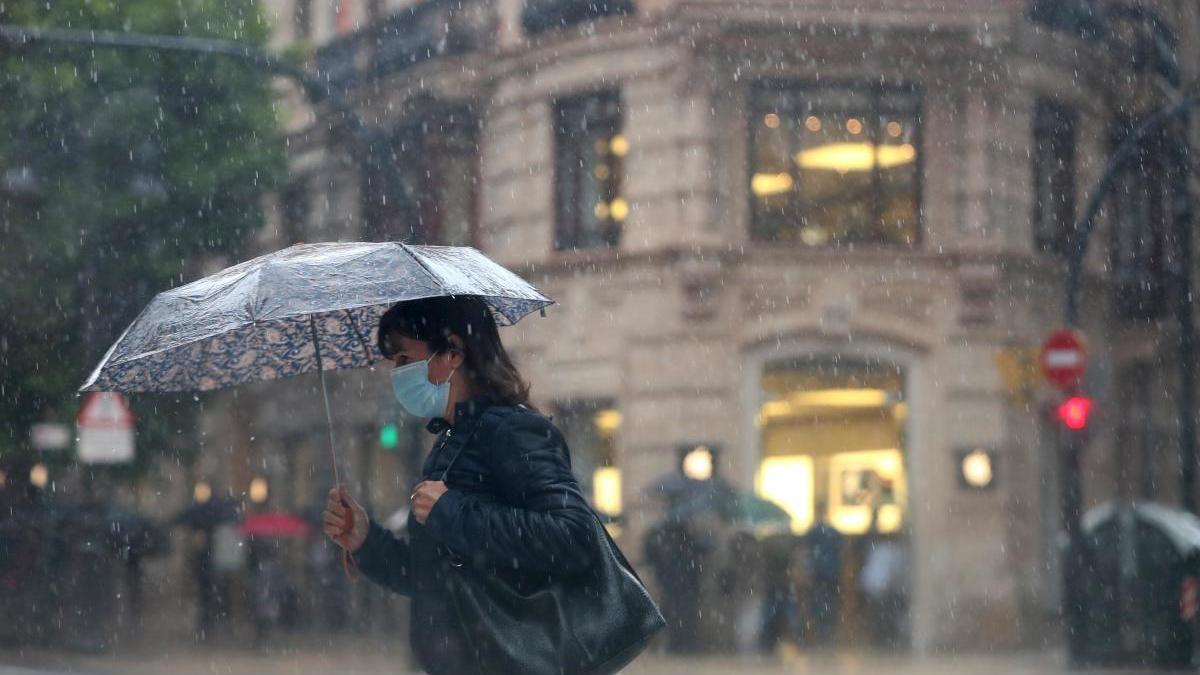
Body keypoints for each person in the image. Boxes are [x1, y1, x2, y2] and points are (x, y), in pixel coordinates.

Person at [321, 296, 599, 675]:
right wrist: (366, 540)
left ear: (452, 353)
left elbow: (574, 536)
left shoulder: (513, 431)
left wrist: (453, 511)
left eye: (404, 359)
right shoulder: (452, 443)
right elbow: (434, 579)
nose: (396, 373)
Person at [806, 500, 843, 645]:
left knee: (821, 603)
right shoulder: (830, 532)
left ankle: (824, 631)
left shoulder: (815, 532)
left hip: (822, 573)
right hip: (829, 573)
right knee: (826, 603)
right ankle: (825, 631)